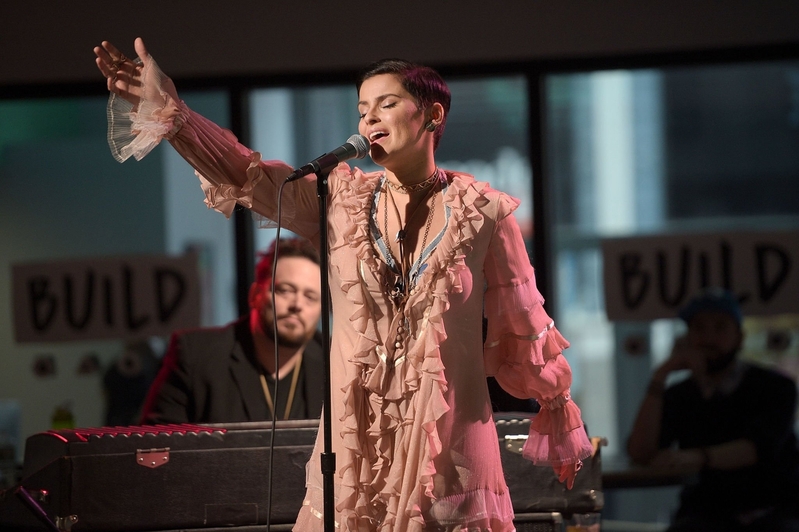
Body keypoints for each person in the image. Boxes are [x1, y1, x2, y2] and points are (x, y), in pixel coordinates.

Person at [94, 38, 593, 531]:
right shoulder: (340, 200)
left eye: (386, 104)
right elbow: (245, 172)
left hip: (450, 446)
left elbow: (523, 324)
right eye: (362, 110)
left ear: (432, 116)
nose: (369, 119)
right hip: (356, 448)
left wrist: (556, 407)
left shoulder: (484, 211)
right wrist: (174, 114)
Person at [627, 288, 799, 532]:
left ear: (739, 337)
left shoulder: (776, 387)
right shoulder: (681, 394)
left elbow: (758, 448)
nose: (708, 338)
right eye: (699, 328)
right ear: (686, 338)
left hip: (774, 510)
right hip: (705, 514)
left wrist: (698, 458)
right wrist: (660, 376)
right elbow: (640, 452)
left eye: (720, 328)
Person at [140, 237, 325, 424]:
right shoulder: (196, 357)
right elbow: (155, 444)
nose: (297, 304)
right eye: (285, 290)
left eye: (310, 297)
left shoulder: (337, 363)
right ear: (254, 296)